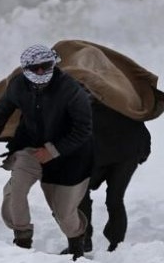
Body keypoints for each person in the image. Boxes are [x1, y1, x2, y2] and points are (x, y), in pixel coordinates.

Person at [0, 45, 93, 260]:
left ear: (54, 64)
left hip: (69, 155)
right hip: (30, 149)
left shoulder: (71, 90)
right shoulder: (18, 86)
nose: (41, 72)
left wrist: (52, 151)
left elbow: (83, 130)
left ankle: (77, 244)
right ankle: (22, 241)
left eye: (46, 66)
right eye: (35, 68)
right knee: (16, 190)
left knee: (63, 213)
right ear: (25, 69)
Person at [60, 100, 151, 254]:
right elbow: (141, 131)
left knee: (81, 195)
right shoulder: (122, 97)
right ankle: (115, 246)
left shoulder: (79, 100)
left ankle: (83, 241)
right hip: (126, 154)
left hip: (104, 154)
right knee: (115, 199)